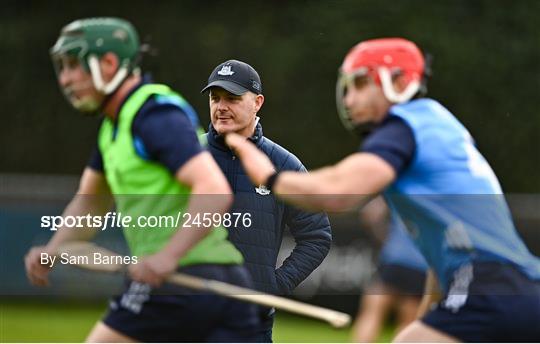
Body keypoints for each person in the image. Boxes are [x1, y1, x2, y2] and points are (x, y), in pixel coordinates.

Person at [225, 38, 540, 342]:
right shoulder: (438, 123)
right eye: (347, 88)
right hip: (522, 288)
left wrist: (269, 176)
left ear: (400, 82)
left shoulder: (402, 129)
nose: (349, 99)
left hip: (486, 285)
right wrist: (426, 318)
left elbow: (337, 192)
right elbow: (441, 258)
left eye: (361, 85)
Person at [24, 17, 260, 342]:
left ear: (108, 63)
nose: (66, 79)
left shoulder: (154, 115)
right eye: (61, 68)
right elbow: (89, 204)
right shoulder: (112, 130)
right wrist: (52, 250)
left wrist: (168, 256)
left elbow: (214, 191)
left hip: (184, 280)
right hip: (217, 287)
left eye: (74, 66)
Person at [200, 59, 332, 342]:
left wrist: (275, 284)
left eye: (232, 98)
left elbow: (317, 236)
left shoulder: (285, 165)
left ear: (257, 102)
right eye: (215, 98)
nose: (221, 106)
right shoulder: (184, 155)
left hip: (250, 323)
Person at [351, 197, 427, 342]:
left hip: (394, 260)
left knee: (372, 314)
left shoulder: (402, 191)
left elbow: (370, 212)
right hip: (421, 265)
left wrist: (385, 238)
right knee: (408, 322)